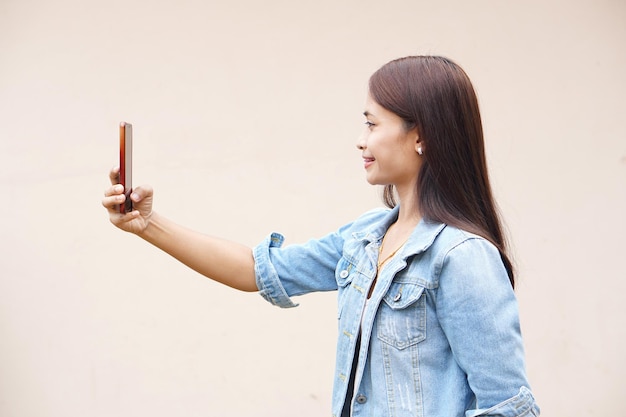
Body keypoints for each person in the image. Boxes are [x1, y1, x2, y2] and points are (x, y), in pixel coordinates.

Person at [102, 55, 540, 417]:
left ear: (420, 134)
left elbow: (508, 406)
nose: (360, 140)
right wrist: (148, 225)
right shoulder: (365, 238)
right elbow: (258, 271)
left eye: (372, 124)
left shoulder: (462, 256)